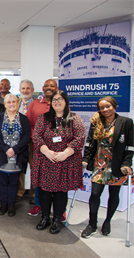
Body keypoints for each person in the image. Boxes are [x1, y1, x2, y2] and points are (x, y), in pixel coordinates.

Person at [31, 90, 85, 234]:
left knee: (61, 193)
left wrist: (65, 153)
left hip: (65, 162)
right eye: (54, 99)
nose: (57, 102)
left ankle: (57, 220)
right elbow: (36, 136)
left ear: (66, 101)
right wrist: (47, 152)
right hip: (45, 161)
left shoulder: (75, 118)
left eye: (60, 99)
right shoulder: (43, 118)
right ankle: (45, 217)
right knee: (44, 192)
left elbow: (79, 138)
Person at [81, 97, 134, 238]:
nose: (105, 110)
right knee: (95, 194)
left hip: (117, 165)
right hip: (100, 164)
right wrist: (85, 159)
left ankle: (107, 221)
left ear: (114, 106)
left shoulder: (126, 122)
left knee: (114, 194)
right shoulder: (97, 122)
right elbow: (89, 143)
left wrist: (127, 163)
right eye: (102, 107)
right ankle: (92, 224)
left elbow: (130, 146)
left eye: (108, 106)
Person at [0, 94, 31, 217]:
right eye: (8, 102)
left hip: (17, 156)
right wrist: (5, 149)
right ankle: (3, 204)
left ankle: (11, 205)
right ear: (5, 104)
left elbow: (26, 136)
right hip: (2, 156)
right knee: (3, 182)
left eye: (14, 101)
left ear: (18, 102)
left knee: (14, 182)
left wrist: (15, 149)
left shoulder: (23, 119)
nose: (11, 104)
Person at [26, 79, 58, 217]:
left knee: (58, 179)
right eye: (46, 85)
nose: (49, 88)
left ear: (56, 88)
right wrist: (39, 142)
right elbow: (30, 126)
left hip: (58, 150)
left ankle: (59, 209)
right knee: (39, 178)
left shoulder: (60, 104)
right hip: (38, 148)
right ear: (42, 88)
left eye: (52, 85)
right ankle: (39, 205)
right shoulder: (34, 105)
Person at [16, 79, 35, 202]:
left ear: (32, 90)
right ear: (19, 90)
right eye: (23, 88)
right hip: (19, 141)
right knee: (19, 167)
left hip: (33, 141)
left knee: (35, 167)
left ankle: (34, 193)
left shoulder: (37, 104)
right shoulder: (16, 103)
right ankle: (19, 191)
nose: (25, 91)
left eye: (28, 88)